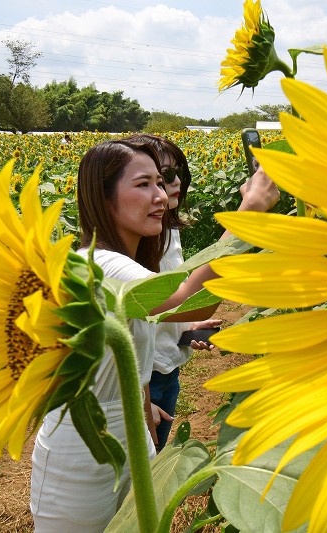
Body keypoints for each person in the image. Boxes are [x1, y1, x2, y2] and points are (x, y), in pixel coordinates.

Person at [29, 138, 279, 532]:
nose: (161, 196)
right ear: (104, 196)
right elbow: (188, 301)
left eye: (160, 184)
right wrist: (248, 216)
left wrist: (140, 404)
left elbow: (130, 354)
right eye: (143, 184)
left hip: (130, 430)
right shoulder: (98, 263)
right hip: (82, 450)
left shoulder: (126, 264)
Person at [127, 134, 221, 452]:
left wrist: (186, 332)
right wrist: (244, 223)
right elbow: (180, 302)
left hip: (166, 370)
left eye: (176, 172)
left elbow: (163, 310)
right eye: (163, 177)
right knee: (139, 479)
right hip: (142, 381)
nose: (176, 181)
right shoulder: (133, 246)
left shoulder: (166, 231)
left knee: (153, 462)